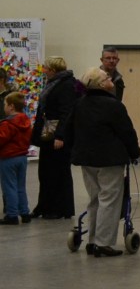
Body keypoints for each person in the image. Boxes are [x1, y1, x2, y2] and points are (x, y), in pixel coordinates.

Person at [61, 68, 140, 256]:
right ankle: (103, 243)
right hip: (110, 159)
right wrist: (134, 152)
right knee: (109, 200)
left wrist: (74, 151)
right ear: (100, 84)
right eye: (106, 77)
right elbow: (126, 132)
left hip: (87, 160)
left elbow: (68, 130)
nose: (110, 78)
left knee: (95, 199)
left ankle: (92, 240)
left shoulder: (80, 104)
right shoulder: (113, 106)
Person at [31, 57, 81, 220]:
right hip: (48, 134)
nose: (43, 70)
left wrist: (60, 136)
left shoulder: (66, 85)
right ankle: (44, 205)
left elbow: (66, 113)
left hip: (57, 136)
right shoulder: (53, 83)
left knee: (58, 172)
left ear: (52, 70)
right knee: (45, 171)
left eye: (45, 68)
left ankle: (59, 208)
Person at [0, 92, 33, 224]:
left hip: (8, 158)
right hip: (22, 157)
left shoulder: (7, 124)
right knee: (20, 186)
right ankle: (25, 213)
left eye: (5, 104)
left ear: (11, 106)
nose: (4, 107)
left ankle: (12, 214)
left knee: (9, 186)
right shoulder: (26, 121)